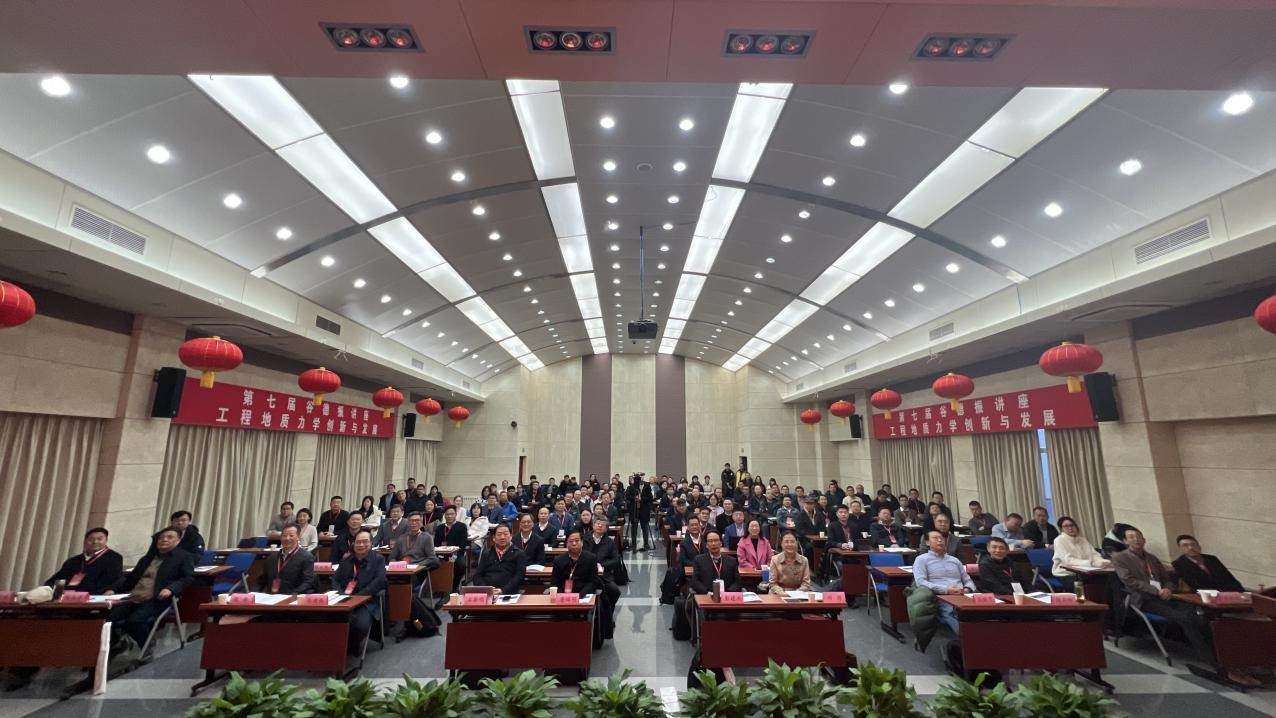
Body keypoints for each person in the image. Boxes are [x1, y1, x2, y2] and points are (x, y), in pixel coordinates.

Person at [1112, 527, 1258, 686]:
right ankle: (1220, 667)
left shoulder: (1152, 558)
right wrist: (1156, 591)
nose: (1136, 539)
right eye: (1131, 537)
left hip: (1166, 596)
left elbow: (1166, 578)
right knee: (1184, 619)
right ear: (1125, 541)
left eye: (1139, 536)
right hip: (1145, 599)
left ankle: (1227, 659)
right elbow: (1130, 581)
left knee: (1199, 615)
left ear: (1144, 539)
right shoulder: (1120, 558)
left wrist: (1168, 588)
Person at [107, 527, 195, 654]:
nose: (164, 539)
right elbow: (131, 579)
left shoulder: (183, 557)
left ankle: (147, 647)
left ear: (178, 541)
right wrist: (113, 589)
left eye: (169, 537)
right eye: (161, 537)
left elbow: (187, 578)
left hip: (157, 598)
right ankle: (116, 644)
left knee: (134, 620)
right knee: (108, 618)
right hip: (134, 597)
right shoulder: (147, 559)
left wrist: (170, 589)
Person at [332, 529, 387, 656]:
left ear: (371, 543)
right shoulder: (346, 560)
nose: (361, 545)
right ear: (353, 544)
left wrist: (358, 597)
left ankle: (350, 647)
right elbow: (335, 579)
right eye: (358, 542)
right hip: (344, 600)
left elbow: (379, 581)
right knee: (329, 620)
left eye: (365, 542)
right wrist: (340, 594)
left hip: (366, 601)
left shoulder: (378, 559)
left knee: (360, 625)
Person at [912, 529, 975, 635]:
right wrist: (946, 590)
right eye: (935, 538)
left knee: (982, 610)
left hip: (963, 594)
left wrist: (967, 589)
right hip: (941, 595)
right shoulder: (921, 560)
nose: (940, 540)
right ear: (927, 542)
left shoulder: (954, 560)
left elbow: (967, 579)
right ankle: (966, 636)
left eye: (941, 538)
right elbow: (921, 582)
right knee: (951, 611)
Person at [45, 527, 124, 596]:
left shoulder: (114, 558)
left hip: (95, 597)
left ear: (106, 541)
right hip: (67, 597)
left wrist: (110, 590)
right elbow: (58, 579)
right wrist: (51, 590)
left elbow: (114, 581)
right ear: (85, 541)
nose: (95, 541)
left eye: (99, 539)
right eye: (91, 539)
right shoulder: (73, 561)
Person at [1051, 516, 1109, 589]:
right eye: (1066, 526)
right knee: (1083, 584)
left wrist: (1104, 562)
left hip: (1085, 572)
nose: (1070, 528)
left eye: (1072, 525)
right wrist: (1090, 563)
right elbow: (1068, 560)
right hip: (1066, 573)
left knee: (1108, 578)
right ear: (1061, 529)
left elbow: (1094, 554)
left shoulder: (1082, 540)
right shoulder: (1059, 540)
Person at [1172, 534, 1243, 592]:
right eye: (1185, 545)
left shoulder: (1212, 559)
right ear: (1180, 549)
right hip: (1205, 596)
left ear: (1199, 546)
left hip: (1228, 592)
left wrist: (1241, 592)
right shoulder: (1179, 564)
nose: (1190, 547)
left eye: (1193, 544)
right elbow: (1196, 586)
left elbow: (1229, 578)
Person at [258, 525, 316, 594]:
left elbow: (308, 582)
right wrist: (253, 594)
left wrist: (292, 595)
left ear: (298, 537)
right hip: (272, 597)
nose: (287, 538)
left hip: (294, 596)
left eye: (291, 535)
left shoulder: (306, 557)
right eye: (284, 536)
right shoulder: (271, 558)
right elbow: (262, 580)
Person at [471, 525, 527, 595]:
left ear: (511, 537)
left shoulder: (519, 554)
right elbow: (477, 576)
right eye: (499, 534)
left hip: (508, 593)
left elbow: (519, 577)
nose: (502, 537)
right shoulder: (486, 553)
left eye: (506, 534)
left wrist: (503, 590)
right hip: (487, 593)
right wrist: (487, 589)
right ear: (494, 538)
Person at [551, 531, 601, 597]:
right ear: (566, 544)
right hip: (563, 596)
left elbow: (593, 582)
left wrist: (580, 595)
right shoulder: (558, 560)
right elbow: (554, 583)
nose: (574, 543)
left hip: (583, 595)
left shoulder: (591, 558)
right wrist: (563, 595)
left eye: (577, 541)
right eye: (571, 541)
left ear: (582, 542)